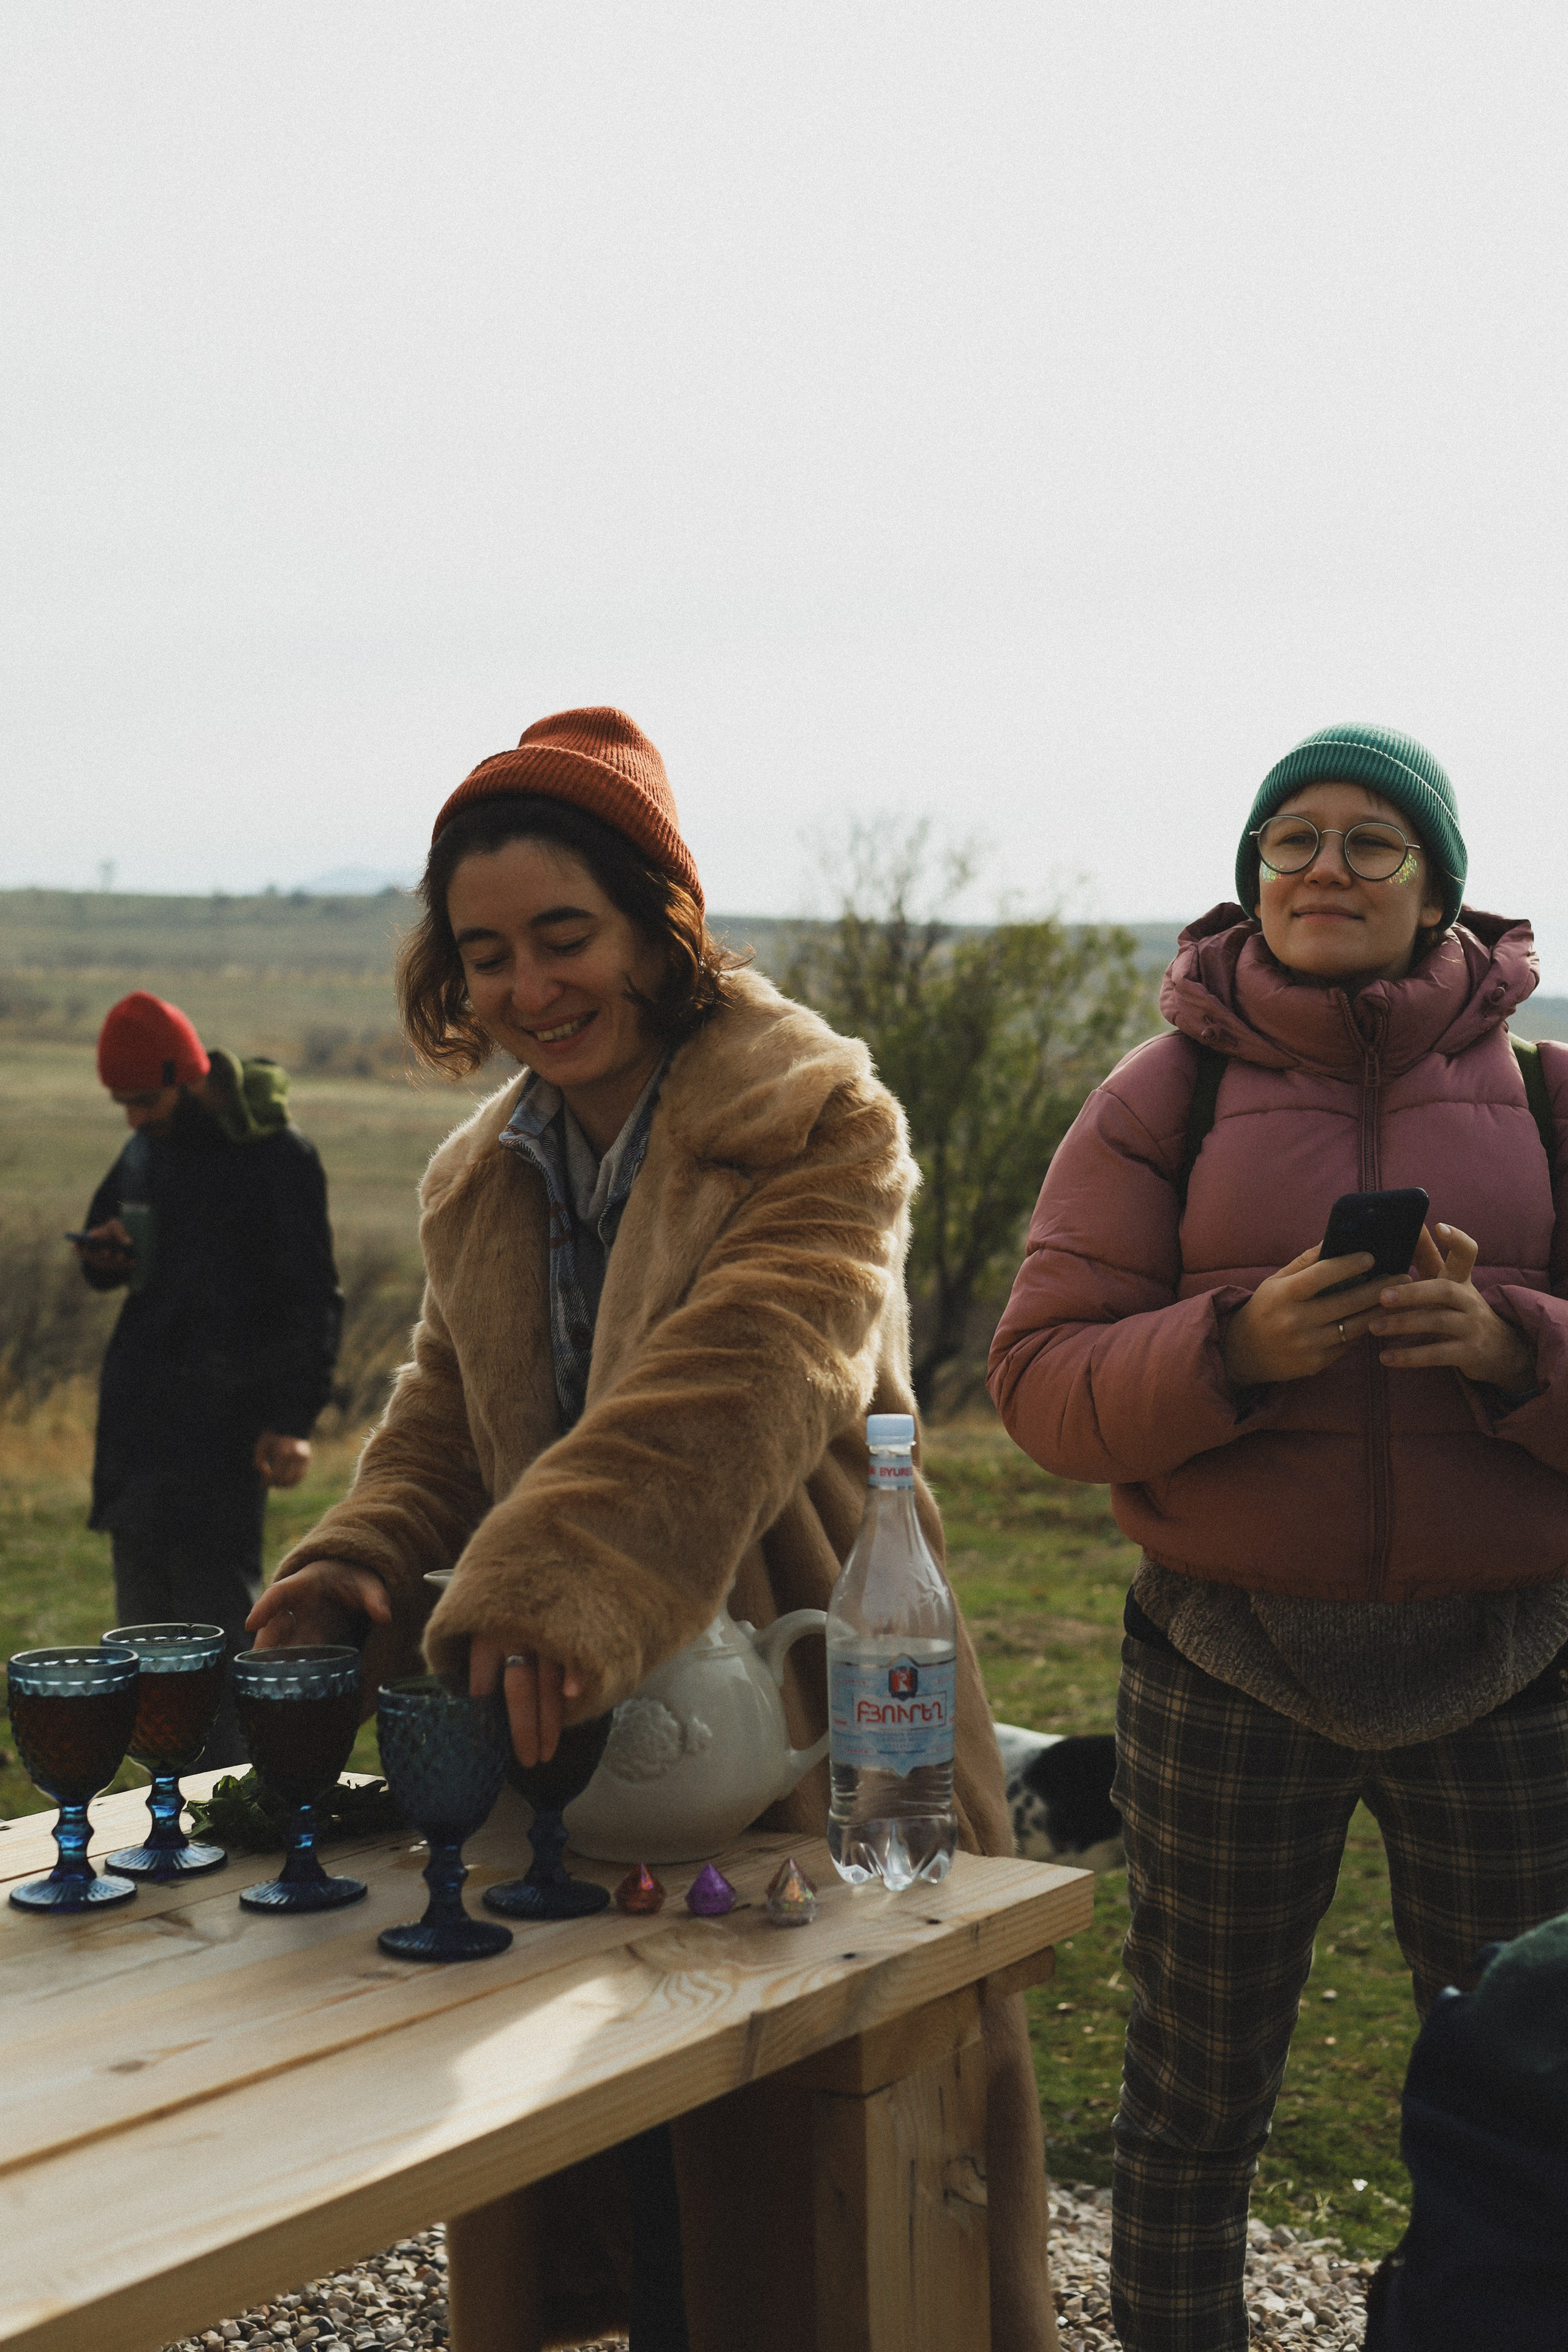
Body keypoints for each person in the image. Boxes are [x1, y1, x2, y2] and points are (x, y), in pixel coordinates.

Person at [248, 705, 1056, 2352]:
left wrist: (563, 1579)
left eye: (565, 937)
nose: (529, 988)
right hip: (580, 1741)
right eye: (485, 955)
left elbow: (754, 1367)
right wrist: (351, 1571)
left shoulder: (824, 1120)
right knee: (595, 2185)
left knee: (831, 2219)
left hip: (827, 1708)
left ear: (658, 928)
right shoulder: (483, 1175)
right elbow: (440, 1429)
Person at [986, 722, 1568, 2352]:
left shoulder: (1544, 1095)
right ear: (1250, 880)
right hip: (1227, 1664)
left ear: (1438, 885)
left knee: (1536, 2095)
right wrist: (1234, 1350)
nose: (1326, 868)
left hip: (1512, 1666)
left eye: (1370, 842)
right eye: (1291, 840)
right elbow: (1036, 1383)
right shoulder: (1161, 1096)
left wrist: (1518, 1348)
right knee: (1188, 2111)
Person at [78, 990, 343, 1765]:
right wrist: (103, 1256)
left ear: (188, 1076)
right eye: (121, 1102)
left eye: (143, 1099)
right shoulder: (144, 1150)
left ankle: (229, 1805)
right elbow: (108, 1243)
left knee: (218, 1644)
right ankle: (160, 1814)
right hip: (137, 1435)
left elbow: (312, 1296)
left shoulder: (275, 1154)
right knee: (142, 1649)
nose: (131, 1117)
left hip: (223, 1438)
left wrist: (293, 1419)